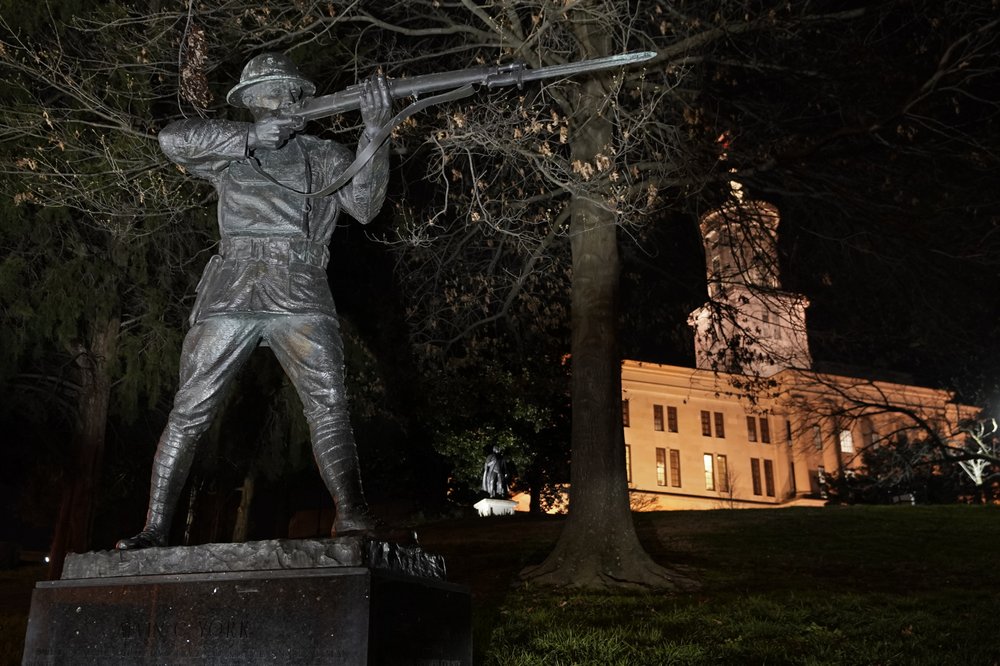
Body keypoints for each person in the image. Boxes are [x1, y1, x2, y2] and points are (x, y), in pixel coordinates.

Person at [116, 53, 392, 549]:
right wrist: (248, 139)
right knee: (189, 410)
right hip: (232, 287)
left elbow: (366, 208)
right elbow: (170, 139)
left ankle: (351, 514)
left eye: (289, 89)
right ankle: (155, 526)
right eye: (269, 90)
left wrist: (375, 133)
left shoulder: (325, 154)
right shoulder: (228, 150)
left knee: (329, 406)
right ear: (248, 102)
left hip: (301, 284)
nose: (282, 97)